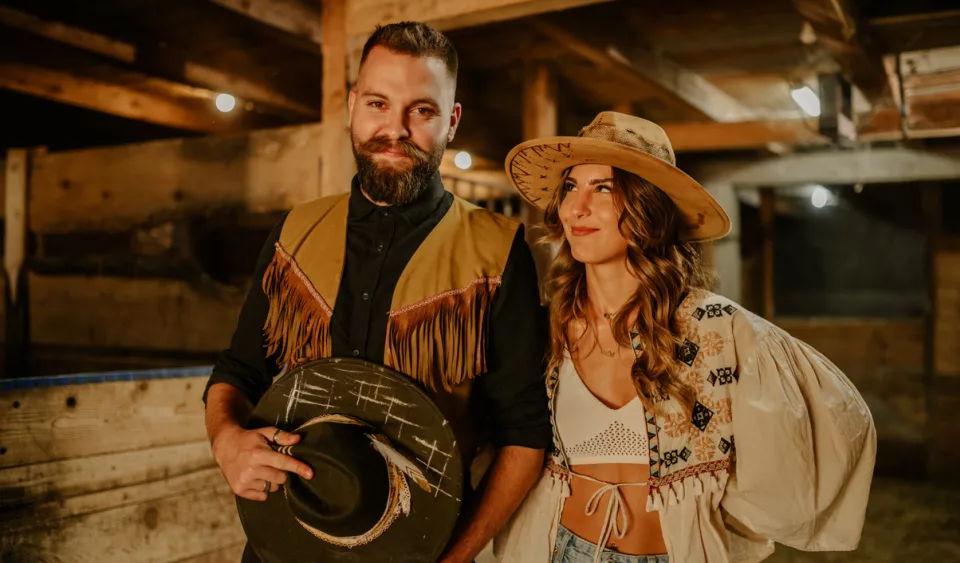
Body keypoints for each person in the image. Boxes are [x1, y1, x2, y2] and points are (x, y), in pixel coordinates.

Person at [202, 21, 550, 563]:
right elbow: (239, 372)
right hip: (286, 540)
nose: (396, 129)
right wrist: (226, 440)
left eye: (422, 110)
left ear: (451, 122)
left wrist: (453, 558)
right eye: (378, 103)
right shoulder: (295, 232)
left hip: (423, 547)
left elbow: (525, 435)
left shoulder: (498, 252)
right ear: (351, 106)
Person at [493, 111, 877, 563]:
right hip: (561, 548)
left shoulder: (719, 329)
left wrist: (730, 508)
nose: (577, 208)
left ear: (646, 208)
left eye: (603, 189)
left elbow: (841, 419)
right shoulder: (548, 329)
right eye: (572, 188)